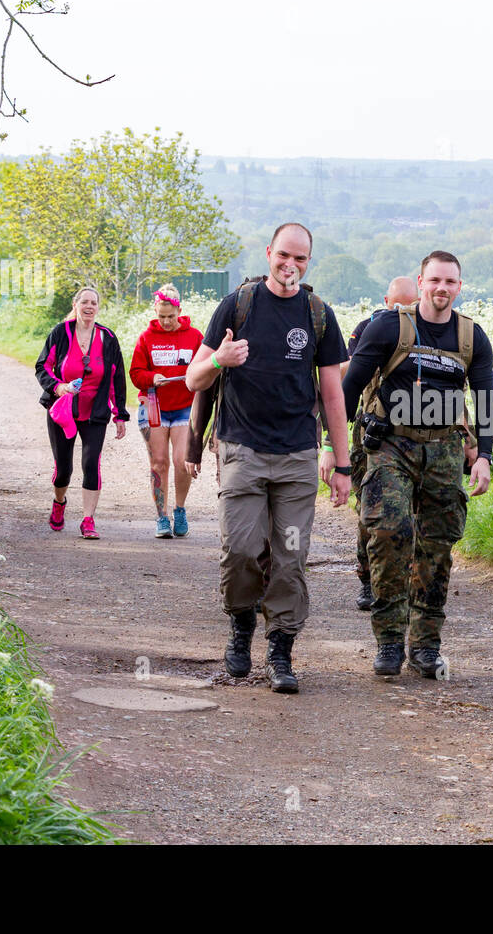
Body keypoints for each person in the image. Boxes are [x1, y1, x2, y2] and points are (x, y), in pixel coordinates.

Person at [185, 222, 351, 694]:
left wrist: (342, 465)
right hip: (242, 451)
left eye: (300, 259)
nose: (291, 265)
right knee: (240, 549)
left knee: (291, 556)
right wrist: (221, 360)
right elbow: (194, 380)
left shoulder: (318, 314)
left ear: (308, 262)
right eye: (284, 256)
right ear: (268, 254)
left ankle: (281, 650)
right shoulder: (237, 305)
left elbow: (334, 396)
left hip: (297, 457)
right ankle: (240, 626)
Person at [342, 251, 493, 678]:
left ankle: (426, 645)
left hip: (444, 450)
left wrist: (483, 455)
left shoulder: (471, 337)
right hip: (391, 444)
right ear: (421, 281)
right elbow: (350, 386)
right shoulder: (389, 326)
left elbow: (485, 398)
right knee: (390, 533)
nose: (442, 288)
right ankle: (389, 641)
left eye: (451, 282)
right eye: (435, 280)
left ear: (459, 286)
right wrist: (332, 449)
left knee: (436, 545)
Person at [339, 275, 420, 611]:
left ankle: (408, 579)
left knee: (412, 513)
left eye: (408, 304)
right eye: (396, 304)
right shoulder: (368, 326)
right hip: (372, 429)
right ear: (386, 300)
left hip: (417, 434)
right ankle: (368, 578)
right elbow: (347, 373)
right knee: (371, 509)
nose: (402, 310)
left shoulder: (429, 329)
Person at [35, 286, 130, 539]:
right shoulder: (61, 333)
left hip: (95, 410)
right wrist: (59, 387)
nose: (89, 307)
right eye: (84, 302)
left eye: (94, 303)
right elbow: (43, 366)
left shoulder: (107, 337)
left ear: (98, 308)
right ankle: (59, 501)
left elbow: (117, 377)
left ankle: (88, 520)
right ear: (76, 305)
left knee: (91, 463)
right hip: (63, 409)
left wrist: (120, 413)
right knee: (63, 469)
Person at [129, 284, 204, 538]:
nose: (166, 322)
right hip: (155, 407)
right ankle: (161, 517)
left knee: (182, 461)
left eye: (170, 316)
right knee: (159, 462)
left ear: (179, 311)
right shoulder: (146, 338)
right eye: (161, 317)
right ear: (155, 312)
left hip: (184, 407)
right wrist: (152, 377)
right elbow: (136, 374)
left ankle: (179, 509)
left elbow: (205, 368)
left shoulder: (194, 336)